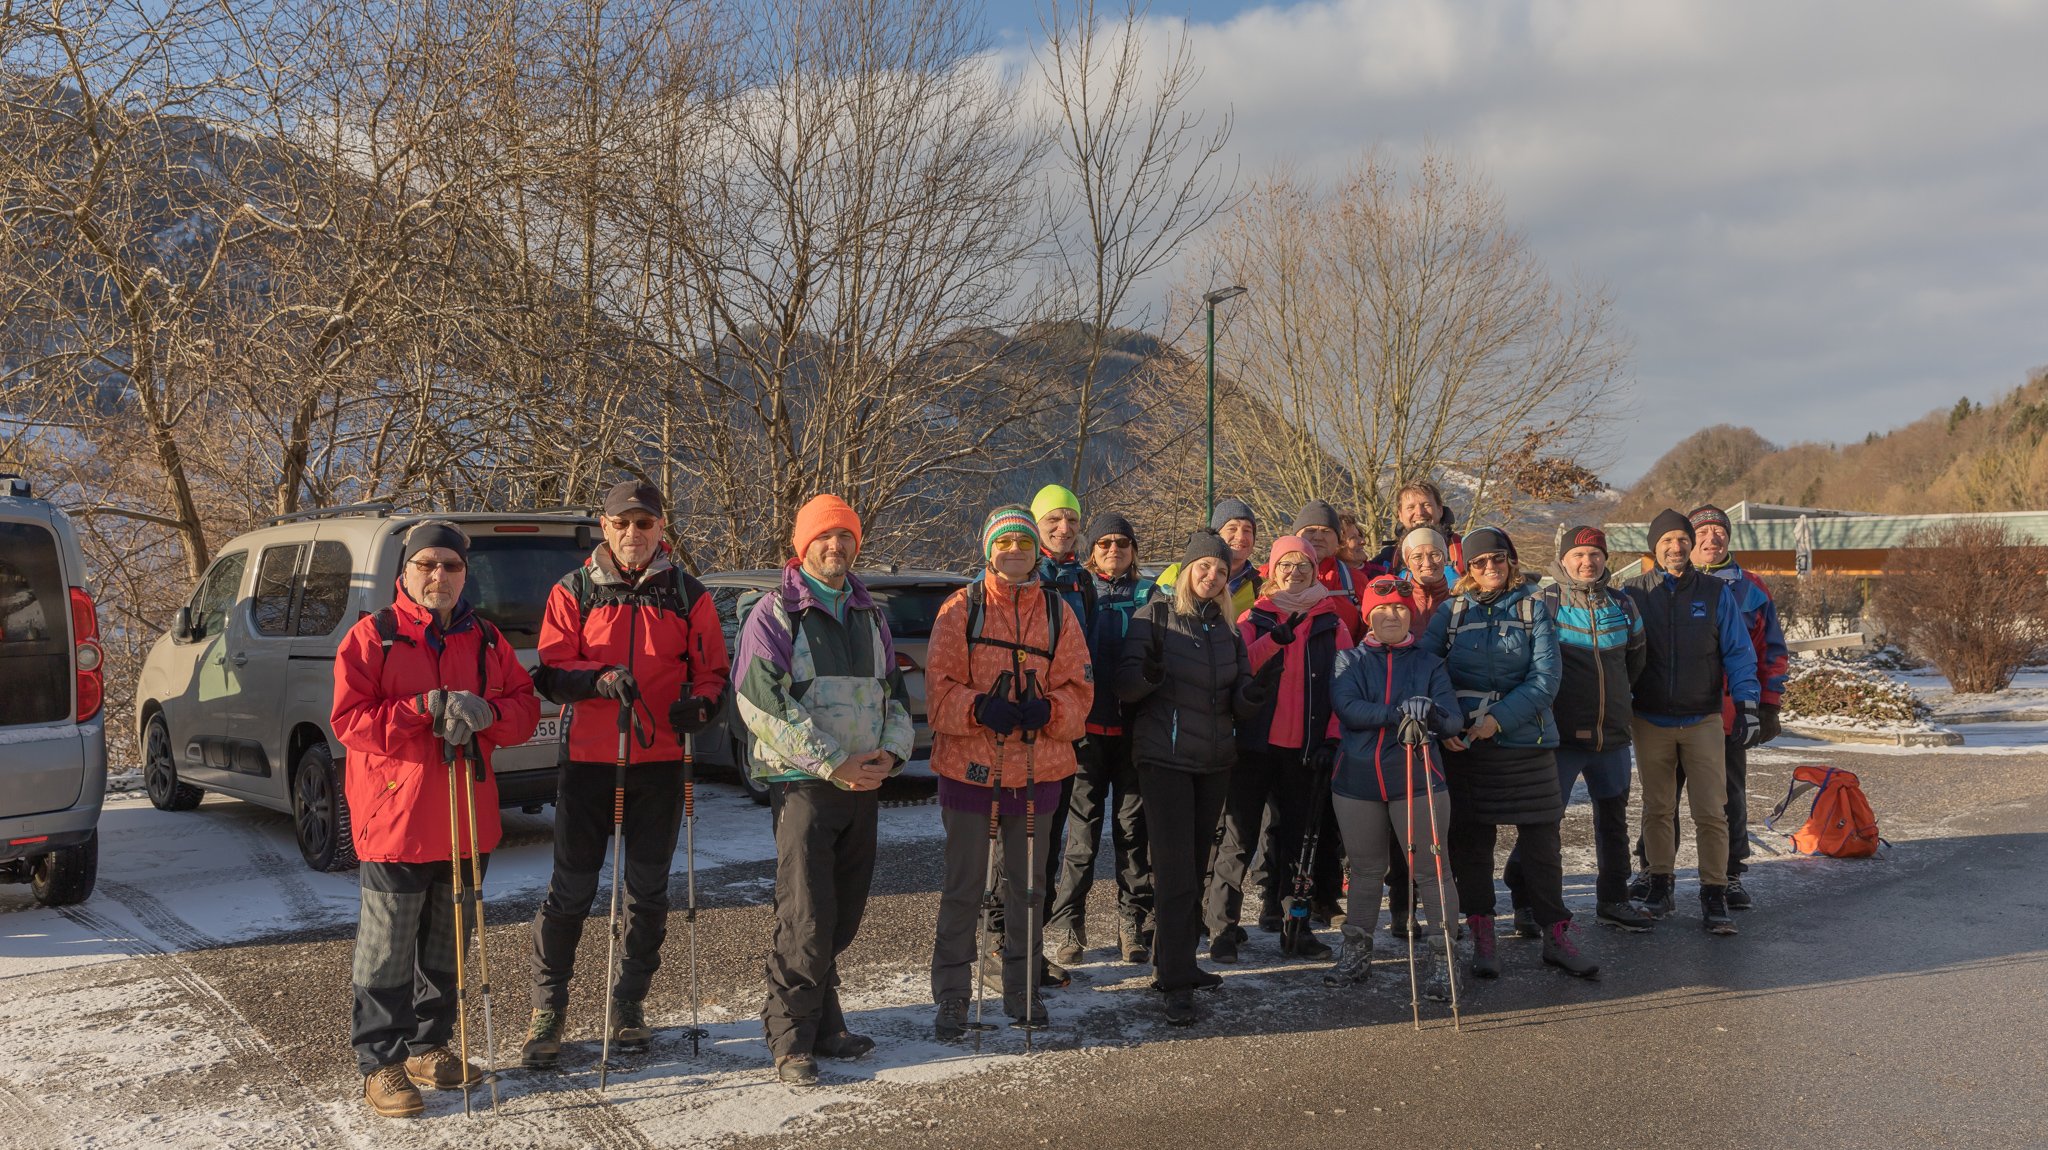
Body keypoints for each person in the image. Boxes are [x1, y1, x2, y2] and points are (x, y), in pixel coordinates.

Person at [331, 520, 539, 1119]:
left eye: (450, 566)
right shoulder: (374, 638)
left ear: (463, 574)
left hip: (467, 817)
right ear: (405, 572)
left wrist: (486, 711)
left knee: (449, 943)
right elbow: (351, 722)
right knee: (386, 949)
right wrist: (422, 709)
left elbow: (525, 710)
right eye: (427, 565)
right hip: (396, 817)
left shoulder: (488, 639)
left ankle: (428, 1046)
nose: (438, 576)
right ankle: (380, 1062)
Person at [523, 482, 731, 1069]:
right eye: (623, 523)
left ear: (661, 528)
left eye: (645, 523)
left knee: (647, 893)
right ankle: (549, 1007)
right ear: (604, 526)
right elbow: (551, 670)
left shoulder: (690, 594)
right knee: (572, 891)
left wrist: (704, 706)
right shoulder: (574, 590)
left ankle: (629, 1003)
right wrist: (598, 680)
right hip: (591, 760)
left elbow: (713, 670)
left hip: (661, 763)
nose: (634, 534)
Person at [735, 494, 915, 1084]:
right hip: (805, 785)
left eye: (845, 537)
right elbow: (760, 704)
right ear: (802, 545)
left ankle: (826, 1024)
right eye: (824, 537)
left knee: (843, 916)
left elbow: (895, 696)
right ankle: (791, 1039)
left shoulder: (871, 616)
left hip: (863, 782)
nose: (835, 547)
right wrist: (834, 763)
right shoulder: (775, 612)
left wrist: (889, 755)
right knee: (806, 917)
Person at [926, 507, 1091, 1039]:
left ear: (1035, 550)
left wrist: (1052, 710)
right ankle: (952, 996)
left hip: (1038, 769)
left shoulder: (1059, 613)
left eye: (1023, 541)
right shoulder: (960, 610)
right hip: (970, 770)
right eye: (1005, 543)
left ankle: (1022, 988)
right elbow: (938, 690)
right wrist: (979, 708)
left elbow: (1079, 687)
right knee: (965, 887)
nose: (1015, 551)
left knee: (1028, 887)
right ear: (988, 549)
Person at [1424, 527, 1596, 981]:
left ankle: (1556, 935)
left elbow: (1545, 680)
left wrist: (1497, 719)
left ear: (1511, 561)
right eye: (1479, 563)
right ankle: (1482, 933)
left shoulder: (1534, 608)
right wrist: (1448, 725)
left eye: (1498, 559)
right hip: (1466, 747)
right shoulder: (1450, 613)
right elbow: (1426, 671)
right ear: (1466, 569)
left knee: (1542, 845)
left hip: (1527, 743)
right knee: (1471, 845)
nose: (1490, 569)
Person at [1117, 530, 1273, 1026]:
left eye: (1221, 571)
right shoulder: (1155, 617)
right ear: (1186, 572)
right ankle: (1177, 981)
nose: (1212, 576)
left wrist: (1252, 697)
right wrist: (1147, 676)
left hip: (1213, 762)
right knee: (1177, 870)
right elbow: (1125, 685)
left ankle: (1173, 963)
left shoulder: (1227, 631)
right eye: (1204, 567)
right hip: (1164, 760)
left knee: (1196, 865)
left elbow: (1239, 689)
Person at [1205, 535, 1356, 964]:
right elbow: (1241, 667)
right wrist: (1277, 639)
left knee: (1298, 844)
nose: (1294, 573)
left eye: (1303, 566)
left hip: (1306, 750)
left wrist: (1331, 736)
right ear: (1272, 571)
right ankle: (1223, 929)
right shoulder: (1256, 616)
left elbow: (1343, 688)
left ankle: (1298, 926)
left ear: (1314, 571)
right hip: (1254, 747)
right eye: (1286, 566)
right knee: (1238, 840)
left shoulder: (1333, 622)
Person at [1502, 526, 1654, 937]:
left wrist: (1619, 706)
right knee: (1544, 823)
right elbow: (1526, 667)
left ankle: (1613, 900)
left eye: (1595, 554)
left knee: (1613, 822)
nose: (1588, 562)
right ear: (1563, 559)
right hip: (1559, 738)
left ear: (1605, 559)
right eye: (1579, 555)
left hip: (1613, 737)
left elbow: (1635, 663)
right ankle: (1525, 901)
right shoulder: (1543, 603)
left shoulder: (1623, 605)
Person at [1624, 509, 1761, 936]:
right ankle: (1660, 885)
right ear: (1654, 547)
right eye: (1666, 541)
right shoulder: (1632, 593)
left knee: (1712, 811)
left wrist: (1749, 704)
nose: (1675, 547)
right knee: (1658, 808)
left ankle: (1714, 892)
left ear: (1690, 544)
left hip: (1703, 717)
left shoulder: (1715, 592)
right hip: (1650, 719)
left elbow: (1739, 652)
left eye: (1682, 539)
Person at [1327, 576, 1462, 996]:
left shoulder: (1428, 663)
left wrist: (1432, 713)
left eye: (1401, 609)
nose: (1392, 616)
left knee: (1431, 870)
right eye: (1382, 609)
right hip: (1358, 779)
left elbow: (1454, 720)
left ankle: (1445, 958)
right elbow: (1347, 707)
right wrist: (1398, 712)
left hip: (1419, 779)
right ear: (1368, 614)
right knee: (1366, 869)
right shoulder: (1348, 660)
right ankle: (1357, 952)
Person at [1047, 512, 1156, 967]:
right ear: (1093, 550)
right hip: (1088, 732)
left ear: (1134, 550)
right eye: (1106, 543)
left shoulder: (1150, 593)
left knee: (1133, 835)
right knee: (1082, 836)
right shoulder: (1082, 589)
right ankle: (1070, 923)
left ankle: (1132, 921)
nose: (1114, 550)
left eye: (1123, 544)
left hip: (1134, 733)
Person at [1687, 504, 1790, 910]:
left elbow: (1772, 651)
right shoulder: (1670, 584)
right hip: (1674, 711)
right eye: (1703, 532)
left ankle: (1729, 874)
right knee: (1664, 799)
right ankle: (1653, 872)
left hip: (1729, 715)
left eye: (1719, 531)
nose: (1712, 539)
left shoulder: (1752, 587)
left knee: (1729, 796)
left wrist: (1768, 705)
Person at [1156, 497, 1263, 617]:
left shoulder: (1261, 587)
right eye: (1232, 528)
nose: (1241, 536)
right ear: (1216, 534)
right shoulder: (1177, 573)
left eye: (1247, 530)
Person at [1290, 499, 1376, 603]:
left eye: (1326, 531)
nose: (1318, 537)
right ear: (1295, 537)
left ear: (1338, 540)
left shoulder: (1355, 581)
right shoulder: (1272, 578)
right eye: (1310, 531)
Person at [1372, 480, 1466, 573]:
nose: (1419, 512)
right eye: (1411, 507)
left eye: (1426, 505)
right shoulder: (1387, 559)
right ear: (1400, 515)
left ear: (1440, 510)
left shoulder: (1464, 551)